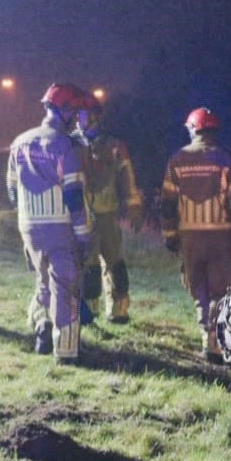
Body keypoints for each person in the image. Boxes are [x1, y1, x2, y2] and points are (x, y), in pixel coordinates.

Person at [159, 107, 231, 360]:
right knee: (220, 289)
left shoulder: (177, 159)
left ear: (192, 129)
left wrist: (170, 235)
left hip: (189, 238)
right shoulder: (226, 159)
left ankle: (206, 336)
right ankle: (215, 342)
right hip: (220, 237)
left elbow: (167, 203)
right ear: (213, 130)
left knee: (198, 288)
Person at [6, 83, 93, 361]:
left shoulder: (19, 141)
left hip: (28, 226)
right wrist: (83, 236)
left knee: (42, 281)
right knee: (65, 287)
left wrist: (28, 218)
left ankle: (42, 325)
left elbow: (11, 189)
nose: (78, 119)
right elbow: (74, 197)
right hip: (60, 228)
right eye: (76, 112)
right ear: (66, 111)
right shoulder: (66, 146)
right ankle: (66, 351)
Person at [75, 95, 142, 324]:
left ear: (94, 116)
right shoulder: (71, 145)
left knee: (116, 265)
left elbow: (128, 178)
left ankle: (118, 309)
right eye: (77, 114)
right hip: (81, 219)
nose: (78, 119)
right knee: (88, 267)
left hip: (108, 215)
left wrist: (134, 206)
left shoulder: (115, 147)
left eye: (82, 114)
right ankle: (88, 311)